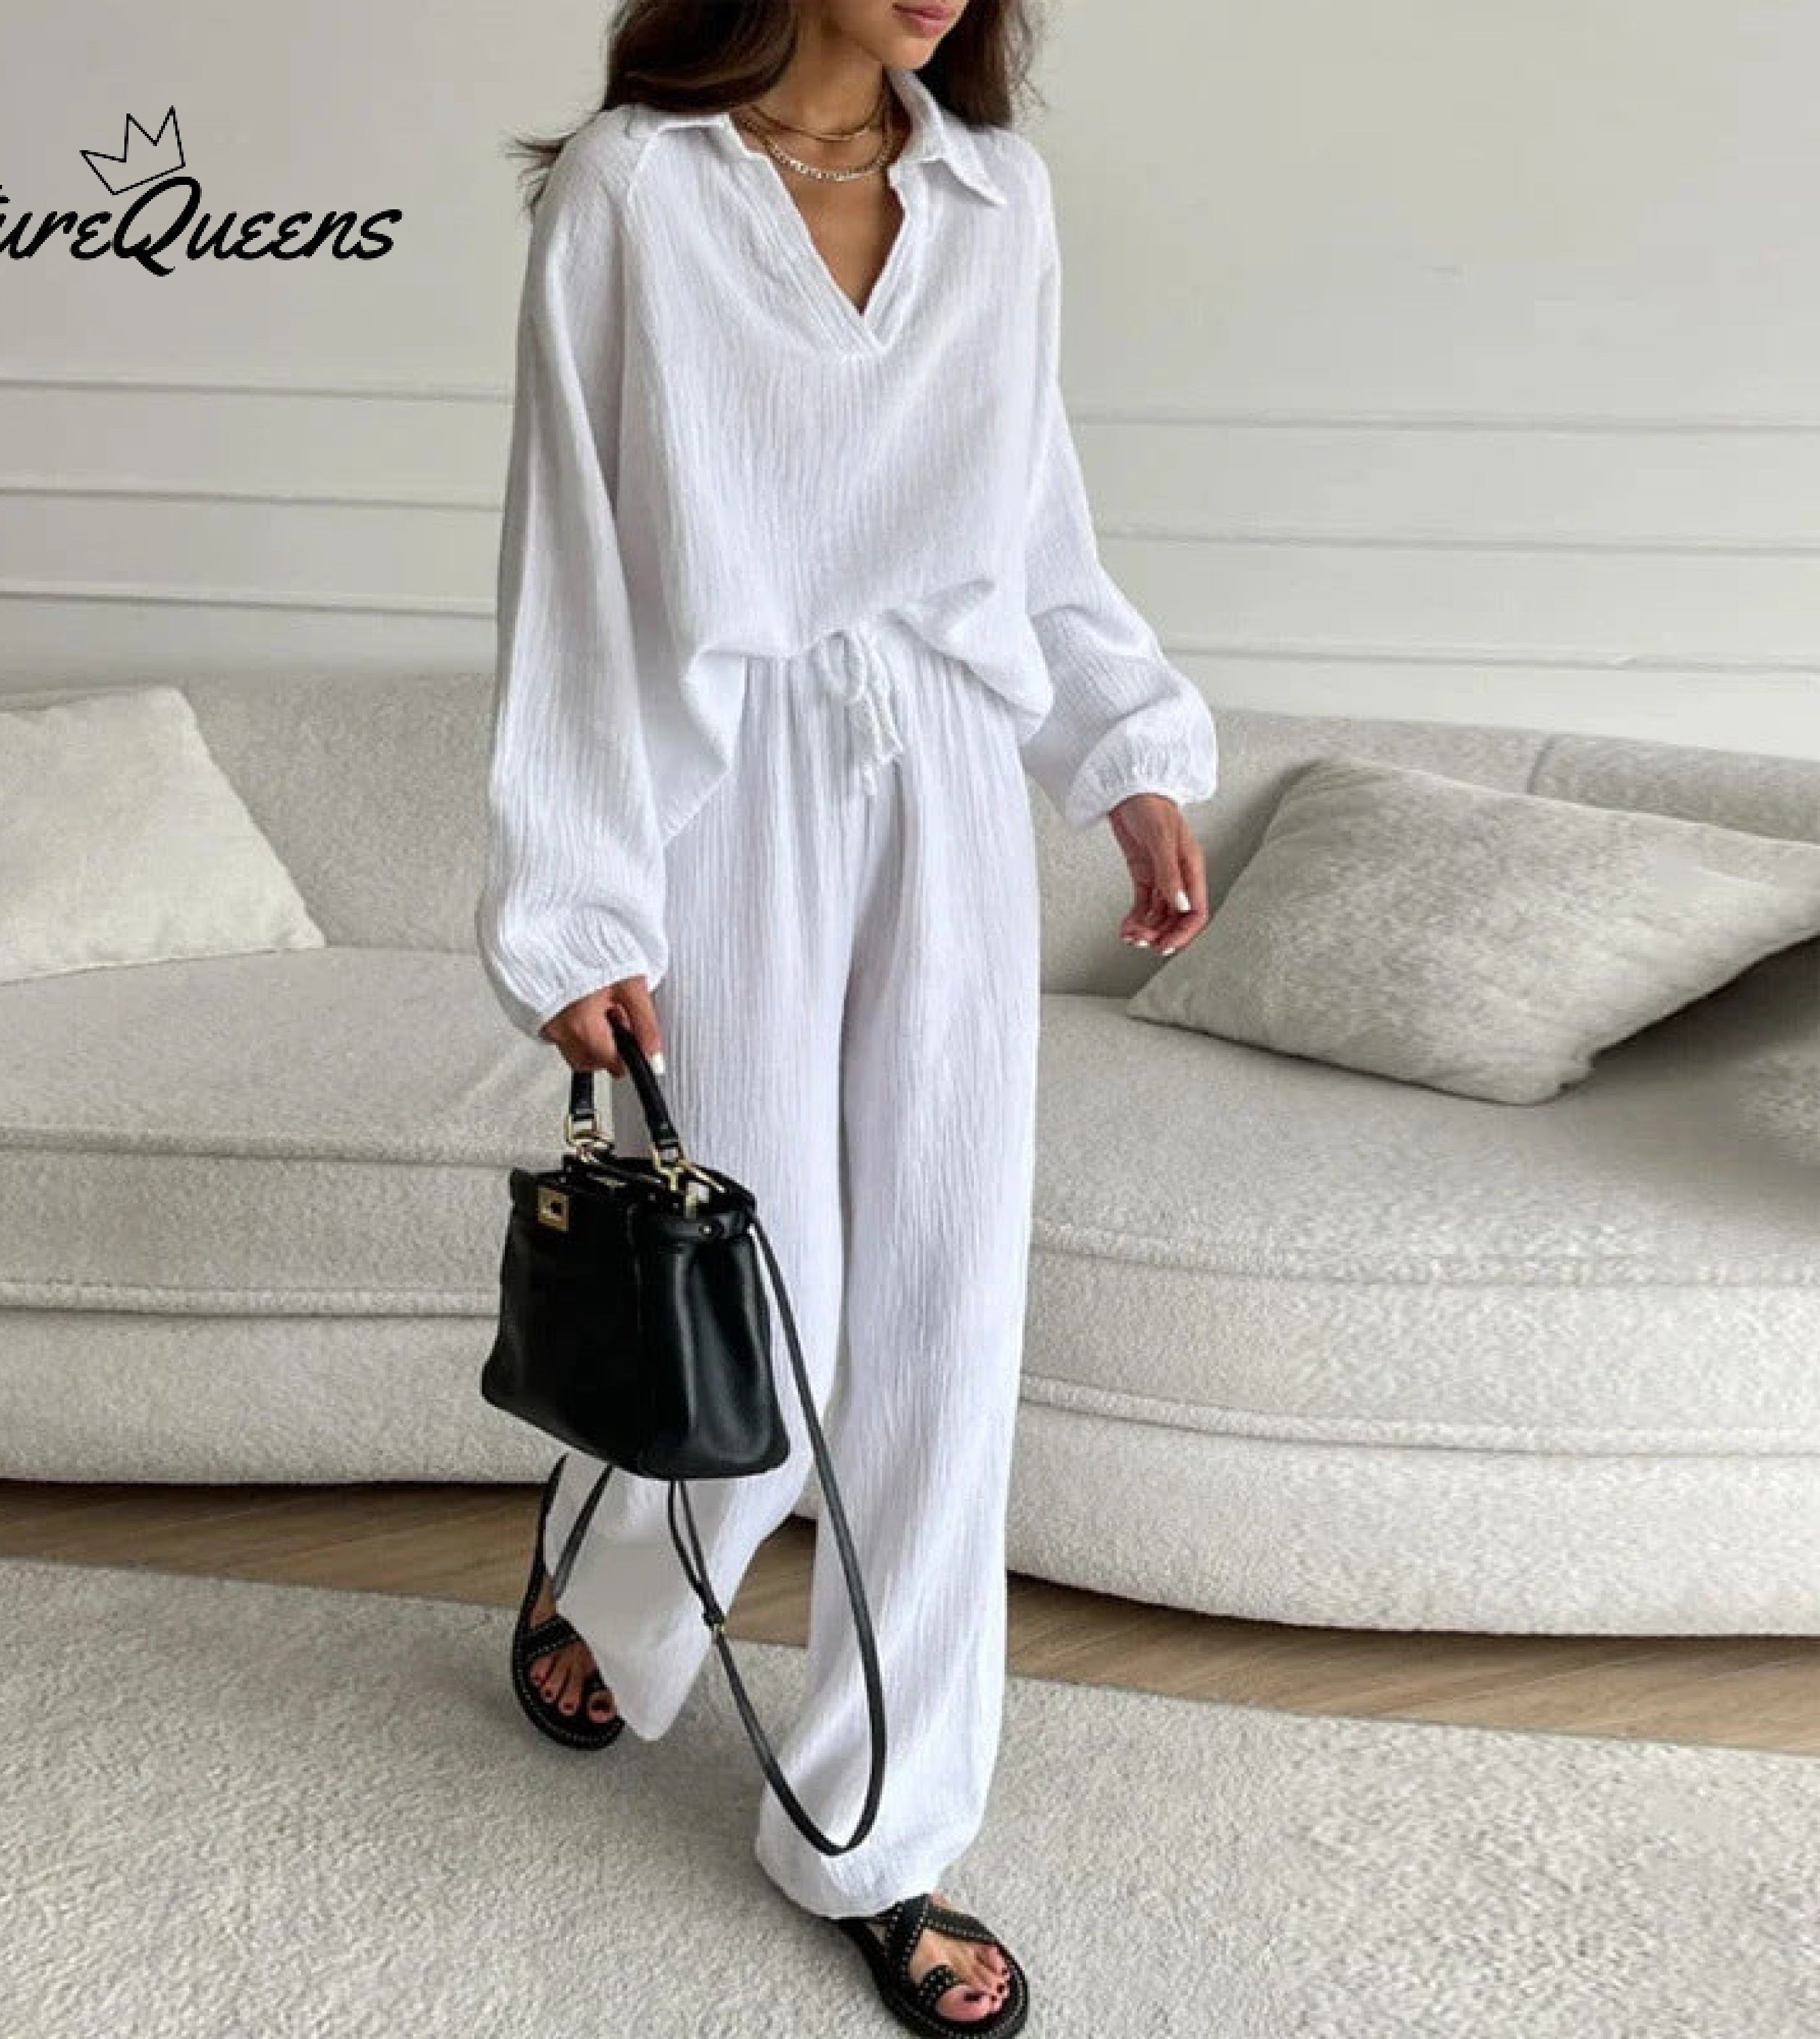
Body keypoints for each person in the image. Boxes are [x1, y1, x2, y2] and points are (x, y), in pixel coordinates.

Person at [476, 2, 1217, 2027]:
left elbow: (1035, 519)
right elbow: (573, 562)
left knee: (948, 1317)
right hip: (730, 793)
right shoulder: (637, 190)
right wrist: (574, 900)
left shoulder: (998, 200)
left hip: (951, 780)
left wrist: (1126, 754)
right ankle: (614, 1577)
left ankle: (879, 1833)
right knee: (758, 1285)